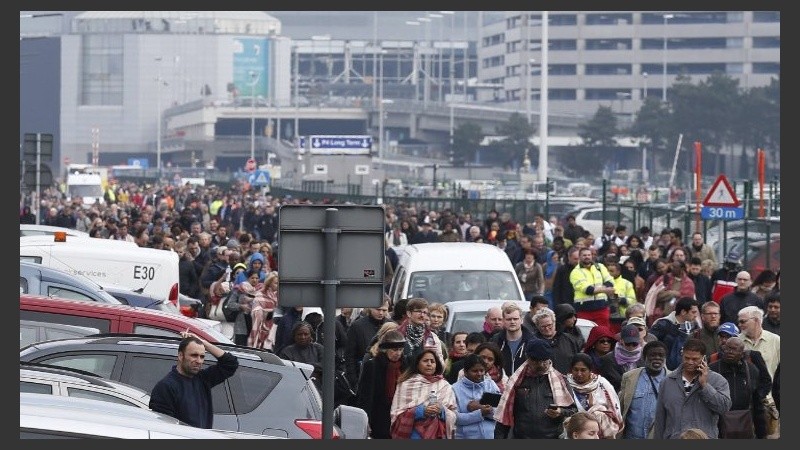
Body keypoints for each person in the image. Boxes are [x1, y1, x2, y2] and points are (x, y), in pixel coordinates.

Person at [149, 331, 239, 429]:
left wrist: (202, 342)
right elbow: (163, 428)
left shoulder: (202, 379)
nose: (199, 361)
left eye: (202, 356)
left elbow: (231, 364)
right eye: (194, 355)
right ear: (180, 356)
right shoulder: (166, 387)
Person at [494, 337, 578, 439]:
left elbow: (573, 410)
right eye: (536, 361)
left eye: (544, 361)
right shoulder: (516, 381)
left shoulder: (561, 381)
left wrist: (560, 412)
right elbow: (504, 414)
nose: (541, 365)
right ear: (527, 358)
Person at [652, 338, 732, 439]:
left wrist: (705, 386)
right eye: (687, 358)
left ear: (703, 358)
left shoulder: (717, 380)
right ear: (682, 355)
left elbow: (724, 408)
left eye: (695, 359)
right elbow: (660, 419)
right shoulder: (667, 382)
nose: (690, 362)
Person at [389, 349, 457, 439]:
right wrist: (421, 411)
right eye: (425, 361)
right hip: (413, 434)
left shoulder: (445, 385)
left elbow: (453, 414)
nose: (429, 364)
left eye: (432, 361)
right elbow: (397, 414)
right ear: (417, 364)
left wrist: (441, 411)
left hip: (438, 434)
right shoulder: (406, 385)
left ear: (436, 365)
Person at [709, 336, 766, 439]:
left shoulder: (751, 370)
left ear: (742, 353)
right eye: (727, 348)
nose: (730, 352)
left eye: (734, 349)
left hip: (744, 425)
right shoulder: (712, 369)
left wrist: (761, 434)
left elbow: (758, 404)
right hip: (717, 426)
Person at [356, 330, 408, 439]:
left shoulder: (405, 366)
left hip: (400, 417)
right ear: (385, 350)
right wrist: (365, 420)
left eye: (400, 349)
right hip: (378, 417)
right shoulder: (373, 366)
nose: (398, 353)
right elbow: (366, 397)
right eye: (394, 350)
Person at [566, 353, 623, 439]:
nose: (579, 374)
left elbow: (615, 410)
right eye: (576, 370)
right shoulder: (565, 384)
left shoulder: (602, 384)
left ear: (590, 370)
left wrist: (596, 411)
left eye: (583, 370)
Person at [619, 340, 669, 439]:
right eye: (652, 355)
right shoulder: (630, 377)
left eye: (661, 355)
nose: (657, 358)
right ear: (644, 357)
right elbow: (621, 407)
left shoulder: (673, 379)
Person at [452, 353, 501, 439]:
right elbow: (456, 418)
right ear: (465, 372)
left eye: (482, 370)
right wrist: (480, 413)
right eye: (475, 371)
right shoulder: (455, 389)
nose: (479, 374)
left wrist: (481, 408)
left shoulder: (490, 385)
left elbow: (500, 413)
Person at [649, 297, 700, 371]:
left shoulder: (694, 326)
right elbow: (651, 343)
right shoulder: (663, 324)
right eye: (693, 312)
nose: (695, 315)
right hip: (665, 368)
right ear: (683, 312)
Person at [570, 247, 616, 329]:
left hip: (601, 308)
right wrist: (605, 290)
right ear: (579, 257)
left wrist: (600, 289)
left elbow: (610, 282)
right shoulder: (576, 272)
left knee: (604, 331)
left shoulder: (600, 267)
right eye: (584, 255)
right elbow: (588, 290)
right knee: (585, 333)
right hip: (584, 310)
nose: (587, 257)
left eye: (589, 255)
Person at [530, 307, 581, 375]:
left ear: (554, 322)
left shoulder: (569, 340)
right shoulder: (532, 343)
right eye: (543, 326)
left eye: (549, 325)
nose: (547, 328)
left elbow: (578, 362)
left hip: (567, 379)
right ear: (537, 326)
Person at [397, 297, 446, 367]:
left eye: (425, 312)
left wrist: (434, 356)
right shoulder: (397, 334)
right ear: (409, 313)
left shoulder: (431, 336)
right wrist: (422, 352)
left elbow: (441, 366)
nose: (422, 315)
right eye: (418, 311)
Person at [490, 303, 535, 377]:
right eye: (509, 319)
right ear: (503, 320)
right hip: (502, 382)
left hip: (526, 383)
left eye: (515, 319)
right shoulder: (495, 341)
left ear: (521, 320)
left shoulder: (532, 341)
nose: (512, 322)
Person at [600, 324, 643, 392]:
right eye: (628, 343)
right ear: (621, 341)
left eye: (634, 344)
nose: (631, 347)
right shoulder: (608, 359)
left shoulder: (644, 357)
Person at [279, 321, 324, 386]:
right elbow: (287, 371)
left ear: (311, 335)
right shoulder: (287, 352)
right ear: (294, 336)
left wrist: (302, 366)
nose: (303, 337)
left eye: (306, 334)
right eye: (299, 334)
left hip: (316, 386)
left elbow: (324, 366)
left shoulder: (318, 348)